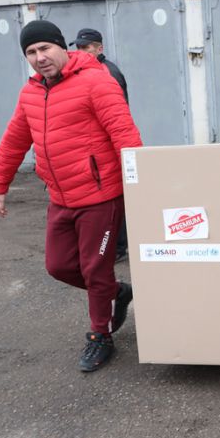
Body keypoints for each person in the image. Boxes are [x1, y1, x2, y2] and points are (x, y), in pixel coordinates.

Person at [0, 20, 142, 373]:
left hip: (101, 195)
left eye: (45, 48)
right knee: (58, 266)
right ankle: (117, 292)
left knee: (94, 268)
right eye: (31, 52)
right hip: (61, 196)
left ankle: (100, 335)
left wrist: (139, 184)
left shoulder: (95, 81)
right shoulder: (31, 92)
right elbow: (14, 139)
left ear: (61, 47)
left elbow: (124, 133)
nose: (39, 57)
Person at [70, 27, 130, 262]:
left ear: (99, 48)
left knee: (111, 199)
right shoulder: (88, 71)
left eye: (86, 47)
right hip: (93, 148)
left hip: (107, 147)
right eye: (78, 47)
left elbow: (117, 117)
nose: (81, 51)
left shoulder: (108, 73)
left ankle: (117, 249)